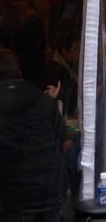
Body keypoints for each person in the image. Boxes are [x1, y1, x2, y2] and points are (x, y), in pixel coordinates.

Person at [0, 51, 67, 220]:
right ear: (20, 72)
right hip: (49, 190)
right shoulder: (44, 102)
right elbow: (62, 142)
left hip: (10, 194)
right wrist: (50, 103)